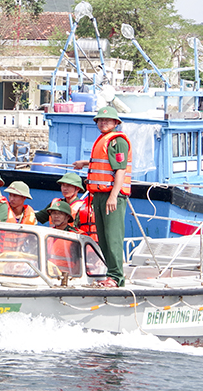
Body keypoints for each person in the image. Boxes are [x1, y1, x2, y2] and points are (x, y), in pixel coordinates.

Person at [73, 106, 131, 288]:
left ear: (115, 123)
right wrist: (84, 163)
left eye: (107, 120)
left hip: (110, 195)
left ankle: (116, 277)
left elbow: (120, 170)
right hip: (98, 194)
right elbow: (103, 163)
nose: (103, 123)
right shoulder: (104, 140)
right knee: (103, 237)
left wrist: (113, 196)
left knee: (112, 236)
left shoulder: (117, 141)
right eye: (100, 120)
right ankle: (111, 273)